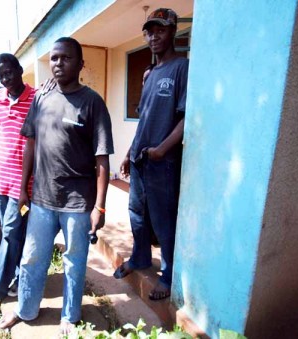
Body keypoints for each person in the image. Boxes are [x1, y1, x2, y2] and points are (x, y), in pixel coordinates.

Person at [0, 37, 114, 335]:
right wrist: (24, 187)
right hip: (42, 199)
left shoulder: (92, 102)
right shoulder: (41, 98)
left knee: (74, 261)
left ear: (80, 64)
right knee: (32, 256)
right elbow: (30, 144)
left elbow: (102, 160)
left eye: (65, 58)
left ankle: (69, 317)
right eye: (54, 58)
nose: (58, 63)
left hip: (78, 202)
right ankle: (26, 309)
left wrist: (100, 206)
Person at [114, 8, 189, 301]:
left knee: (163, 219)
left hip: (163, 161)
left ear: (172, 31)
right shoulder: (149, 74)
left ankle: (168, 276)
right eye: (149, 31)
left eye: (160, 30)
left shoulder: (182, 68)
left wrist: (162, 149)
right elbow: (144, 119)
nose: (153, 36)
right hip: (141, 159)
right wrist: (128, 152)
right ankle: (140, 258)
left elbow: (187, 118)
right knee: (137, 214)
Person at [0, 53, 36, 315]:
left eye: (9, 72)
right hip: (1, 179)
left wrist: (26, 187)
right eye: (0, 75)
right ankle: (15, 279)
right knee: (10, 234)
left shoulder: (36, 98)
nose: (5, 79)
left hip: (24, 185)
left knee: (12, 233)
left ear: (20, 69)